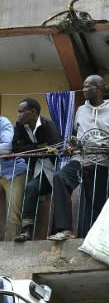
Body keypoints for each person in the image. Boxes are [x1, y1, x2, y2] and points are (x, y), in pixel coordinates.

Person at [48, 75, 109, 241]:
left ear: (98, 88)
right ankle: (66, 229)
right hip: (80, 159)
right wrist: (71, 147)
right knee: (60, 177)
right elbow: (76, 134)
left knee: (96, 202)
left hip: (102, 163)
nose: (83, 90)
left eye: (87, 86)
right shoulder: (81, 110)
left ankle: (99, 238)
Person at [13, 98, 62, 242]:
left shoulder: (47, 125)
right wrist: (38, 147)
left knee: (58, 195)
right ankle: (26, 230)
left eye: (21, 111)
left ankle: (57, 231)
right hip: (37, 170)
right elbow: (16, 149)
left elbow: (56, 147)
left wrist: (31, 149)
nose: (18, 115)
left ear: (33, 112)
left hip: (55, 170)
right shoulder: (20, 126)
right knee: (31, 187)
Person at [0, 114, 27, 241]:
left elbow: (7, 147)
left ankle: (10, 248)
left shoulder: (3, 122)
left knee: (13, 213)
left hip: (13, 171)